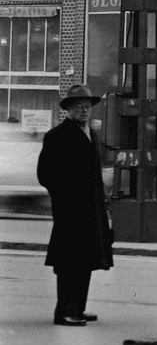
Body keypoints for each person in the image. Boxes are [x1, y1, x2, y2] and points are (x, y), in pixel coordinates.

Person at [36, 84, 114, 326]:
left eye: (87, 106)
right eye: (78, 106)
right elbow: (45, 174)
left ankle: (79, 307)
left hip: (92, 209)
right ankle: (65, 311)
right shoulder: (57, 136)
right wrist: (65, 199)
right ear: (68, 110)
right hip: (70, 211)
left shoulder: (92, 135)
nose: (84, 110)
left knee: (87, 259)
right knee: (69, 262)